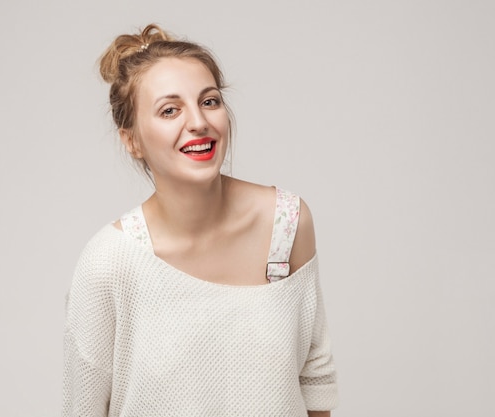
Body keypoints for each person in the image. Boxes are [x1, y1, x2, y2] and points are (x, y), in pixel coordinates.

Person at [63, 24, 338, 417]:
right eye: (169, 110)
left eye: (209, 101)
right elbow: (82, 409)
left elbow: (315, 382)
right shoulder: (109, 263)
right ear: (132, 140)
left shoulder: (287, 224)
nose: (198, 122)